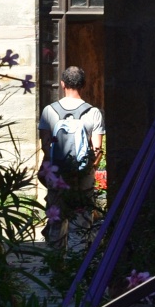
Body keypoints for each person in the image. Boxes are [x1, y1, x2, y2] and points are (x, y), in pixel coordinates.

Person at [39, 65, 105, 243]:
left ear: (62, 84)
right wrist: (85, 169)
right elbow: (97, 149)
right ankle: (84, 264)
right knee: (84, 223)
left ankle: (56, 265)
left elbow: (45, 146)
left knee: (56, 222)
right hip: (84, 177)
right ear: (83, 84)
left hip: (57, 175)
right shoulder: (93, 113)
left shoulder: (49, 111)